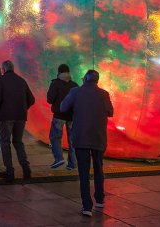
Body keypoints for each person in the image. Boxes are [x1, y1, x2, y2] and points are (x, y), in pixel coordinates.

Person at [59, 69, 114, 216]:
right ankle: (100, 199)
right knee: (98, 168)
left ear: (84, 79)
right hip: (98, 137)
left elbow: (63, 107)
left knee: (83, 172)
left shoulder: (75, 92)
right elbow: (110, 112)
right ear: (97, 80)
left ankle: (87, 207)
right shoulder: (104, 94)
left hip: (81, 136)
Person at [0, 59, 35, 183]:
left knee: (5, 142)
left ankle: (10, 171)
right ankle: (26, 168)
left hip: (5, 116)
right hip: (20, 116)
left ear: (3, 69)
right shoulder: (21, 81)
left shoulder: (0, 81)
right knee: (18, 142)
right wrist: (23, 108)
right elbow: (31, 99)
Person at [46, 63, 78, 170]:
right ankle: (72, 164)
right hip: (72, 116)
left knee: (55, 137)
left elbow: (50, 99)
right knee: (72, 141)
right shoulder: (74, 85)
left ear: (59, 72)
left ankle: (59, 158)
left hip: (59, 115)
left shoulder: (55, 83)